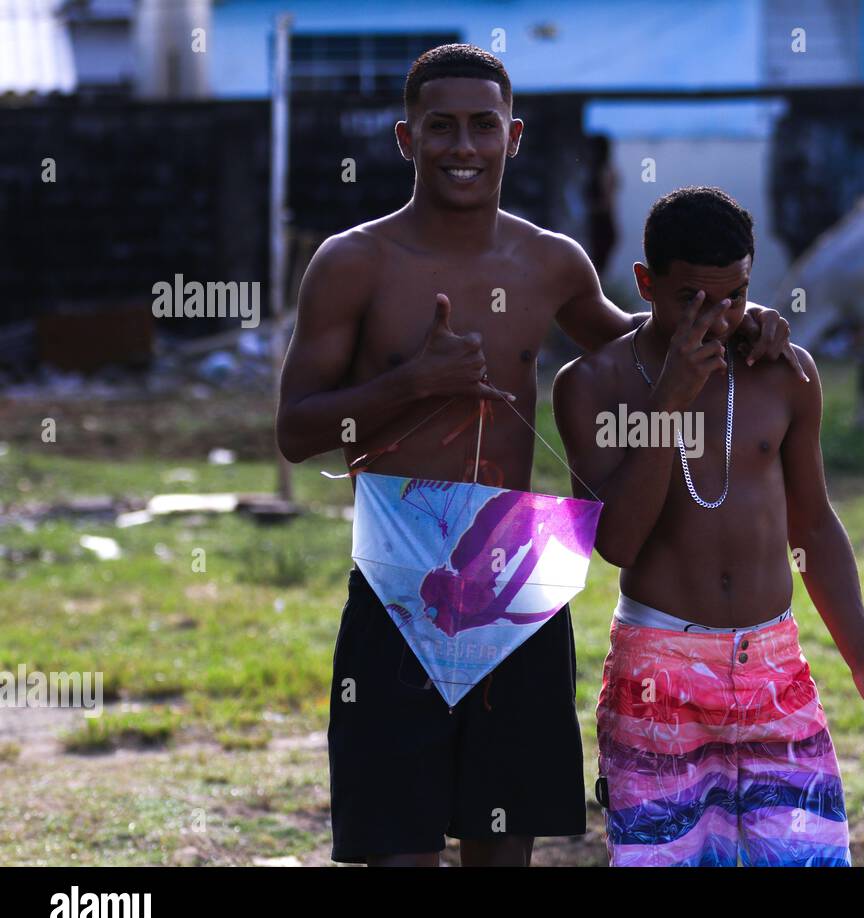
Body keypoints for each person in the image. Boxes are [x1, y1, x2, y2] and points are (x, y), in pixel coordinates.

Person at [274, 45, 800, 867]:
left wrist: (739, 313)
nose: (463, 145)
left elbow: (644, 339)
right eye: (440, 126)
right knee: (395, 843)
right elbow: (296, 431)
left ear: (513, 137)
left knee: (503, 846)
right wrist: (413, 383)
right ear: (406, 137)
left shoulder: (551, 260)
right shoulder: (353, 263)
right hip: (396, 576)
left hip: (516, 577)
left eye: (484, 126)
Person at [552, 186, 864, 866]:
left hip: (774, 666)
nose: (716, 317)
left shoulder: (781, 371)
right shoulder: (592, 383)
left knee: (808, 858)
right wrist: (666, 403)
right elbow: (615, 543)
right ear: (646, 283)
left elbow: (814, 527)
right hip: (658, 671)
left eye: (734, 295)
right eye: (691, 299)